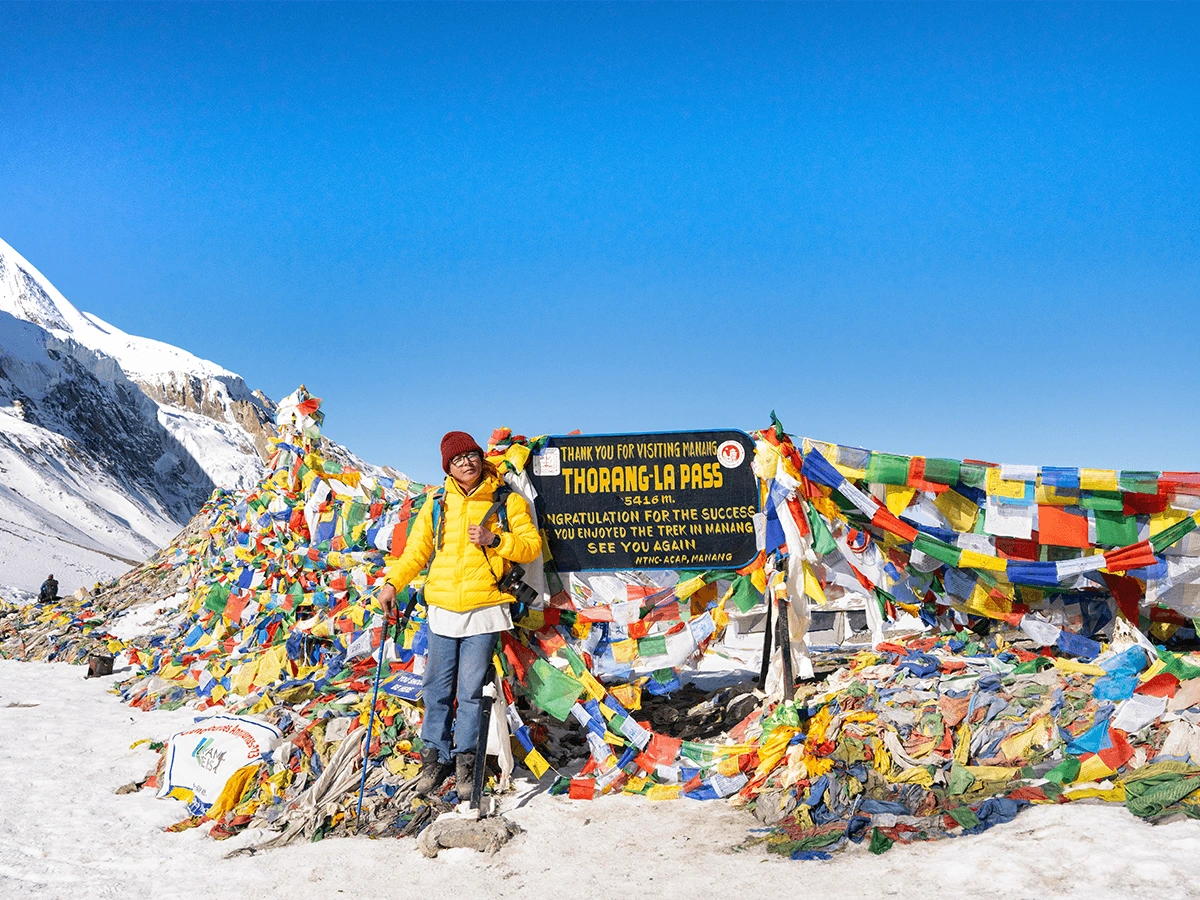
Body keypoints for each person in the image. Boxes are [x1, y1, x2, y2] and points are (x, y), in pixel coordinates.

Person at [378, 431, 541, 802]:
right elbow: (416, 551)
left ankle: (468, 760)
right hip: (442, 609)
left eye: (470, 455)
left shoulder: (507, 501)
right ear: (447, 467)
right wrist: (392, 584)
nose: (465, 462)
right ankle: (434, 755)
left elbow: (531, 547)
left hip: (485, 608)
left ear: (480, 458)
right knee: (436, 688)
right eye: (457, 459)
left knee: (469, 690)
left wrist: (495, 540)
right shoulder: (438, 503)